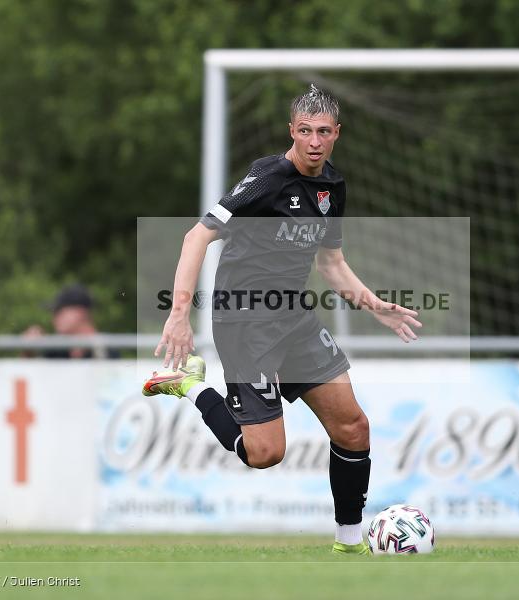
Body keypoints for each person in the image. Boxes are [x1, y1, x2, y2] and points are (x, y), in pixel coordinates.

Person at [142, 85, 421, 555]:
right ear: (292, 131)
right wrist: (178, 317)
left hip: (295, 319)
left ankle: (350, 545)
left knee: (353, 428)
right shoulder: (268, 178)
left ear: (337, 135)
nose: (314, 141)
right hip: (245, 323)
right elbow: (196, 237)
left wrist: (378, 307)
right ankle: (190, 385)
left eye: (324, 132)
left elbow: (331, 264)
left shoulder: (333, 186)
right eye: (306, 131)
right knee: (266, 454)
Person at [24, 284, 119, 359]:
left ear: (80, 312)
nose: (54, 319)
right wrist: (29, 351)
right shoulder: (57, 351)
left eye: (58, 312)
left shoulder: (106, 349)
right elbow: (29, 378)